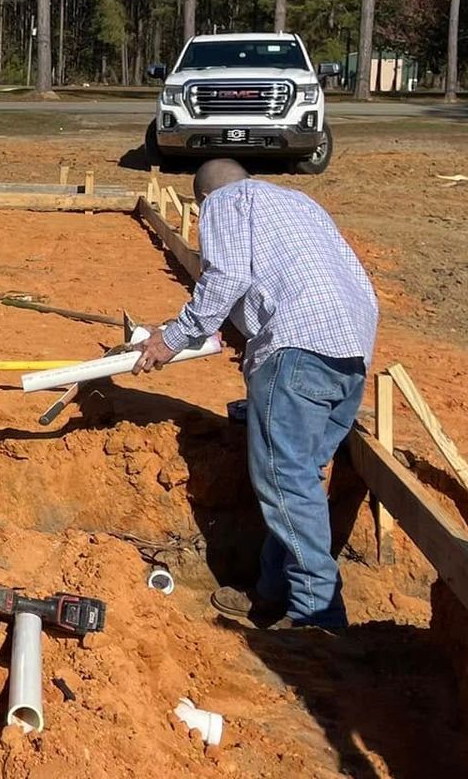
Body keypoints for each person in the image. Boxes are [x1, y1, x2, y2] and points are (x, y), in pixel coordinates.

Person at [134, 159, 379, 630]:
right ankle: (272, 592)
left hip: (297, 352)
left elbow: (225, 277)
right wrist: (242, 323)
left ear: (202, 200)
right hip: (351, 354)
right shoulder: (298, 202)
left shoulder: (227, 202)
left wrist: (172, 337)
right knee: (300, 481)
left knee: (285, 483)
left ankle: (319, 617)